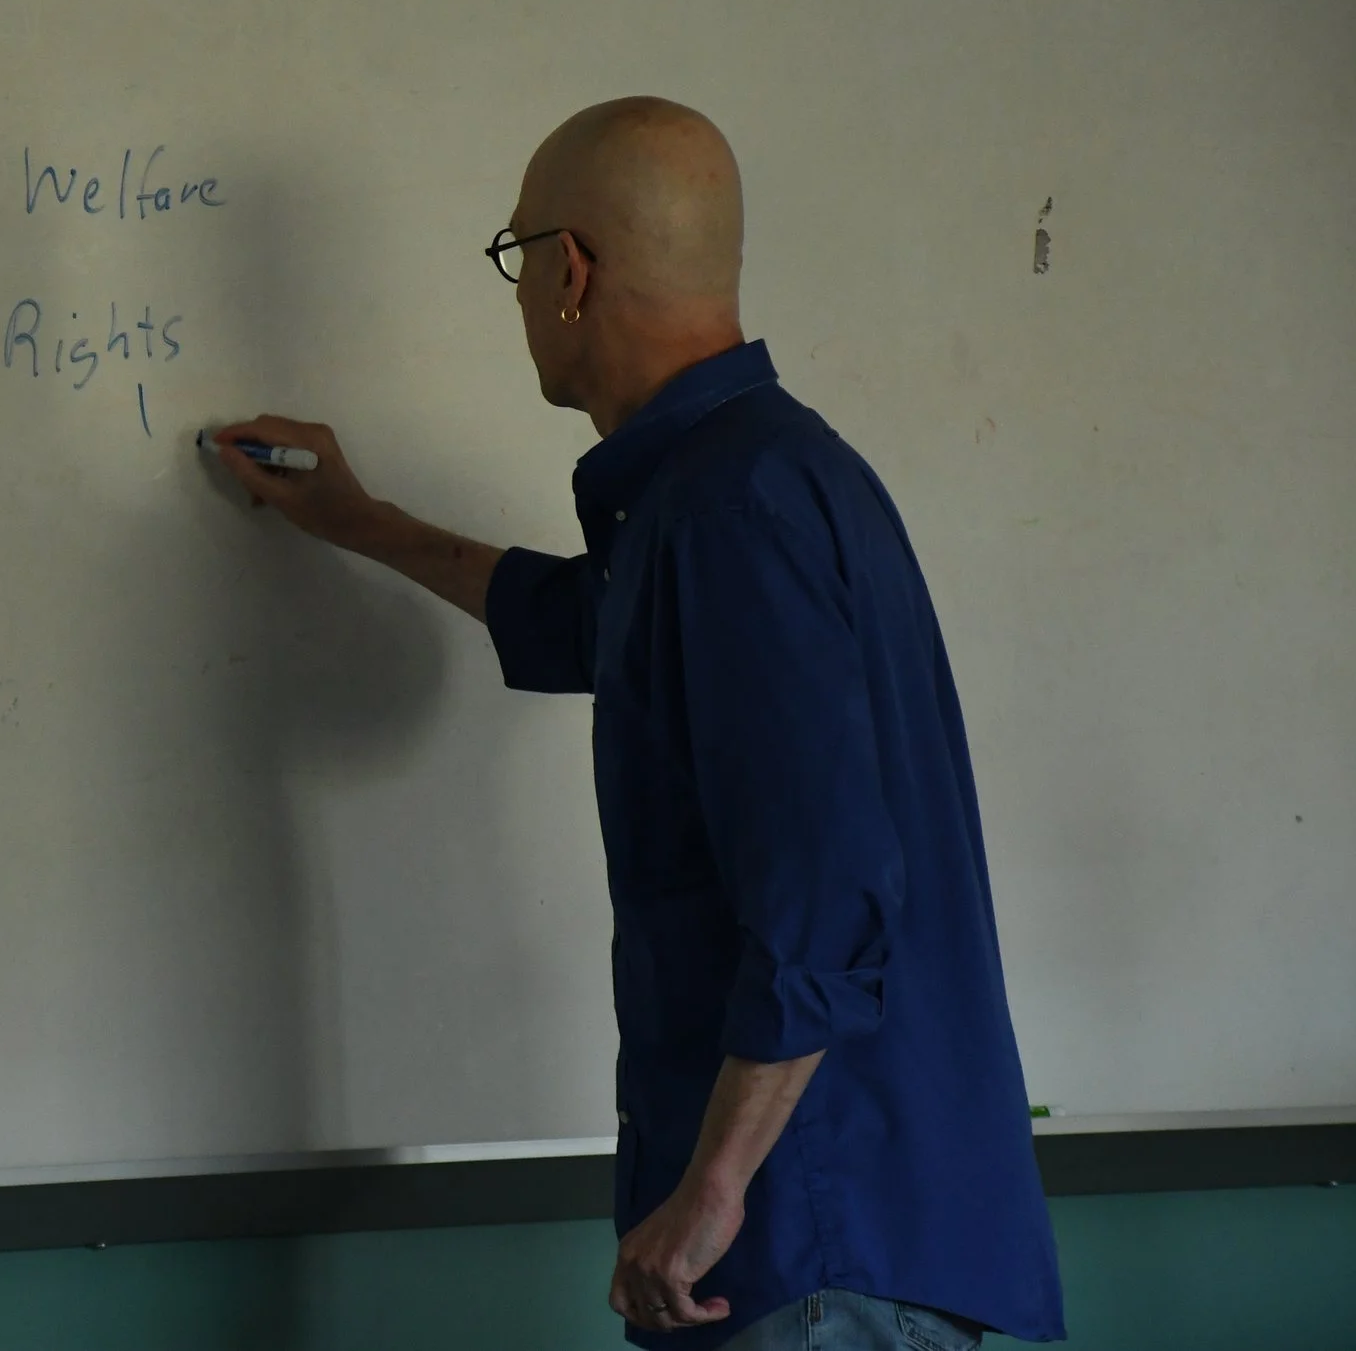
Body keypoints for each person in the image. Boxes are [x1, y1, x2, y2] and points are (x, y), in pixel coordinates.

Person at [210, 98, 1065, 1350]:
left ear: (571, 270)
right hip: (833, 1251)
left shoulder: (730, 510)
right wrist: (357, 520)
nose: (515, 294)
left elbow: (825, 888)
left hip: (808, 1251)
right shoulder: (749, 479)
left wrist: (713, 1189)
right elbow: (582, 624)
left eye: (515, 257)